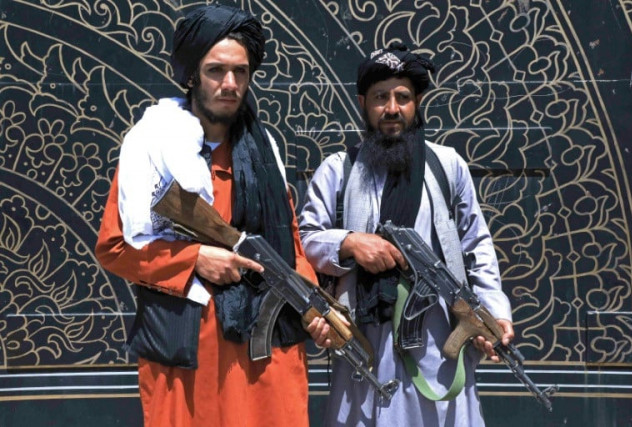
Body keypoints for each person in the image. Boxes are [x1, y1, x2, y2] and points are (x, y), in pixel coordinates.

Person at [95, 4, 319, 426]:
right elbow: (115, 248)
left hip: (267, 357)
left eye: (240, 72)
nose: (230, 84)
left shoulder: (264, 152)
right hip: (188, 358)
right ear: (193, 75)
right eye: (216, 71)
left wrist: (313, 305)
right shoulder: (153, 149)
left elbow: (291, 246)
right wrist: (194, 259)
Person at [299, 42, 515, 426]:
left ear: (417, 103)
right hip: (364, 343)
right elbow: (305, 241)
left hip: (437, 345)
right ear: (363, 103)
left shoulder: (446, 166)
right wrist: (349, 243)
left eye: (403, 97)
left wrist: (494, 313)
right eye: (380, 97)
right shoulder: (338, 170)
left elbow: (476, 246)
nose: (392, 108)